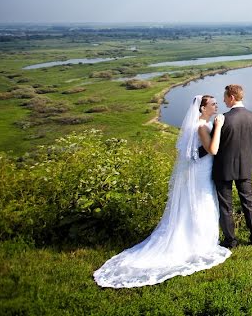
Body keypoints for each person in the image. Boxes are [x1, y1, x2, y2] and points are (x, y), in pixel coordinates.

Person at [93, 95, 231, 288]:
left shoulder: (200, 124)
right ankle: (199, 243)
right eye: (213, 104)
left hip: (202, 168)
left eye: (216, 103)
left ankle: (201, 239)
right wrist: (218, 127)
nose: (216, 106)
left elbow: (197, 152)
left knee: (201, 202)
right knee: (202, 201)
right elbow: (212, 149)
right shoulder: (201, 126)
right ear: (202, 109)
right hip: (201, 172)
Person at [212, 84, 252, 248]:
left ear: (232, 97)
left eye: (225, 97)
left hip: (223, 168)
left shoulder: (222, 119)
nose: (224, 100)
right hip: (245, 167)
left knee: (226, 205)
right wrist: (246, 156)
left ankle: (230, 241)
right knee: (249, 203)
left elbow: (214, 145)